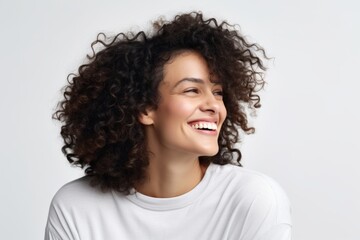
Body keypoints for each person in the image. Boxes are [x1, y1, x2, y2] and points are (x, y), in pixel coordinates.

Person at [45, 12, 292, 240]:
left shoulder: (253, 199)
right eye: (192, 90)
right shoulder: (76, 206)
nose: (214, 105)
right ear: (145, 108)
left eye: (217, 92)